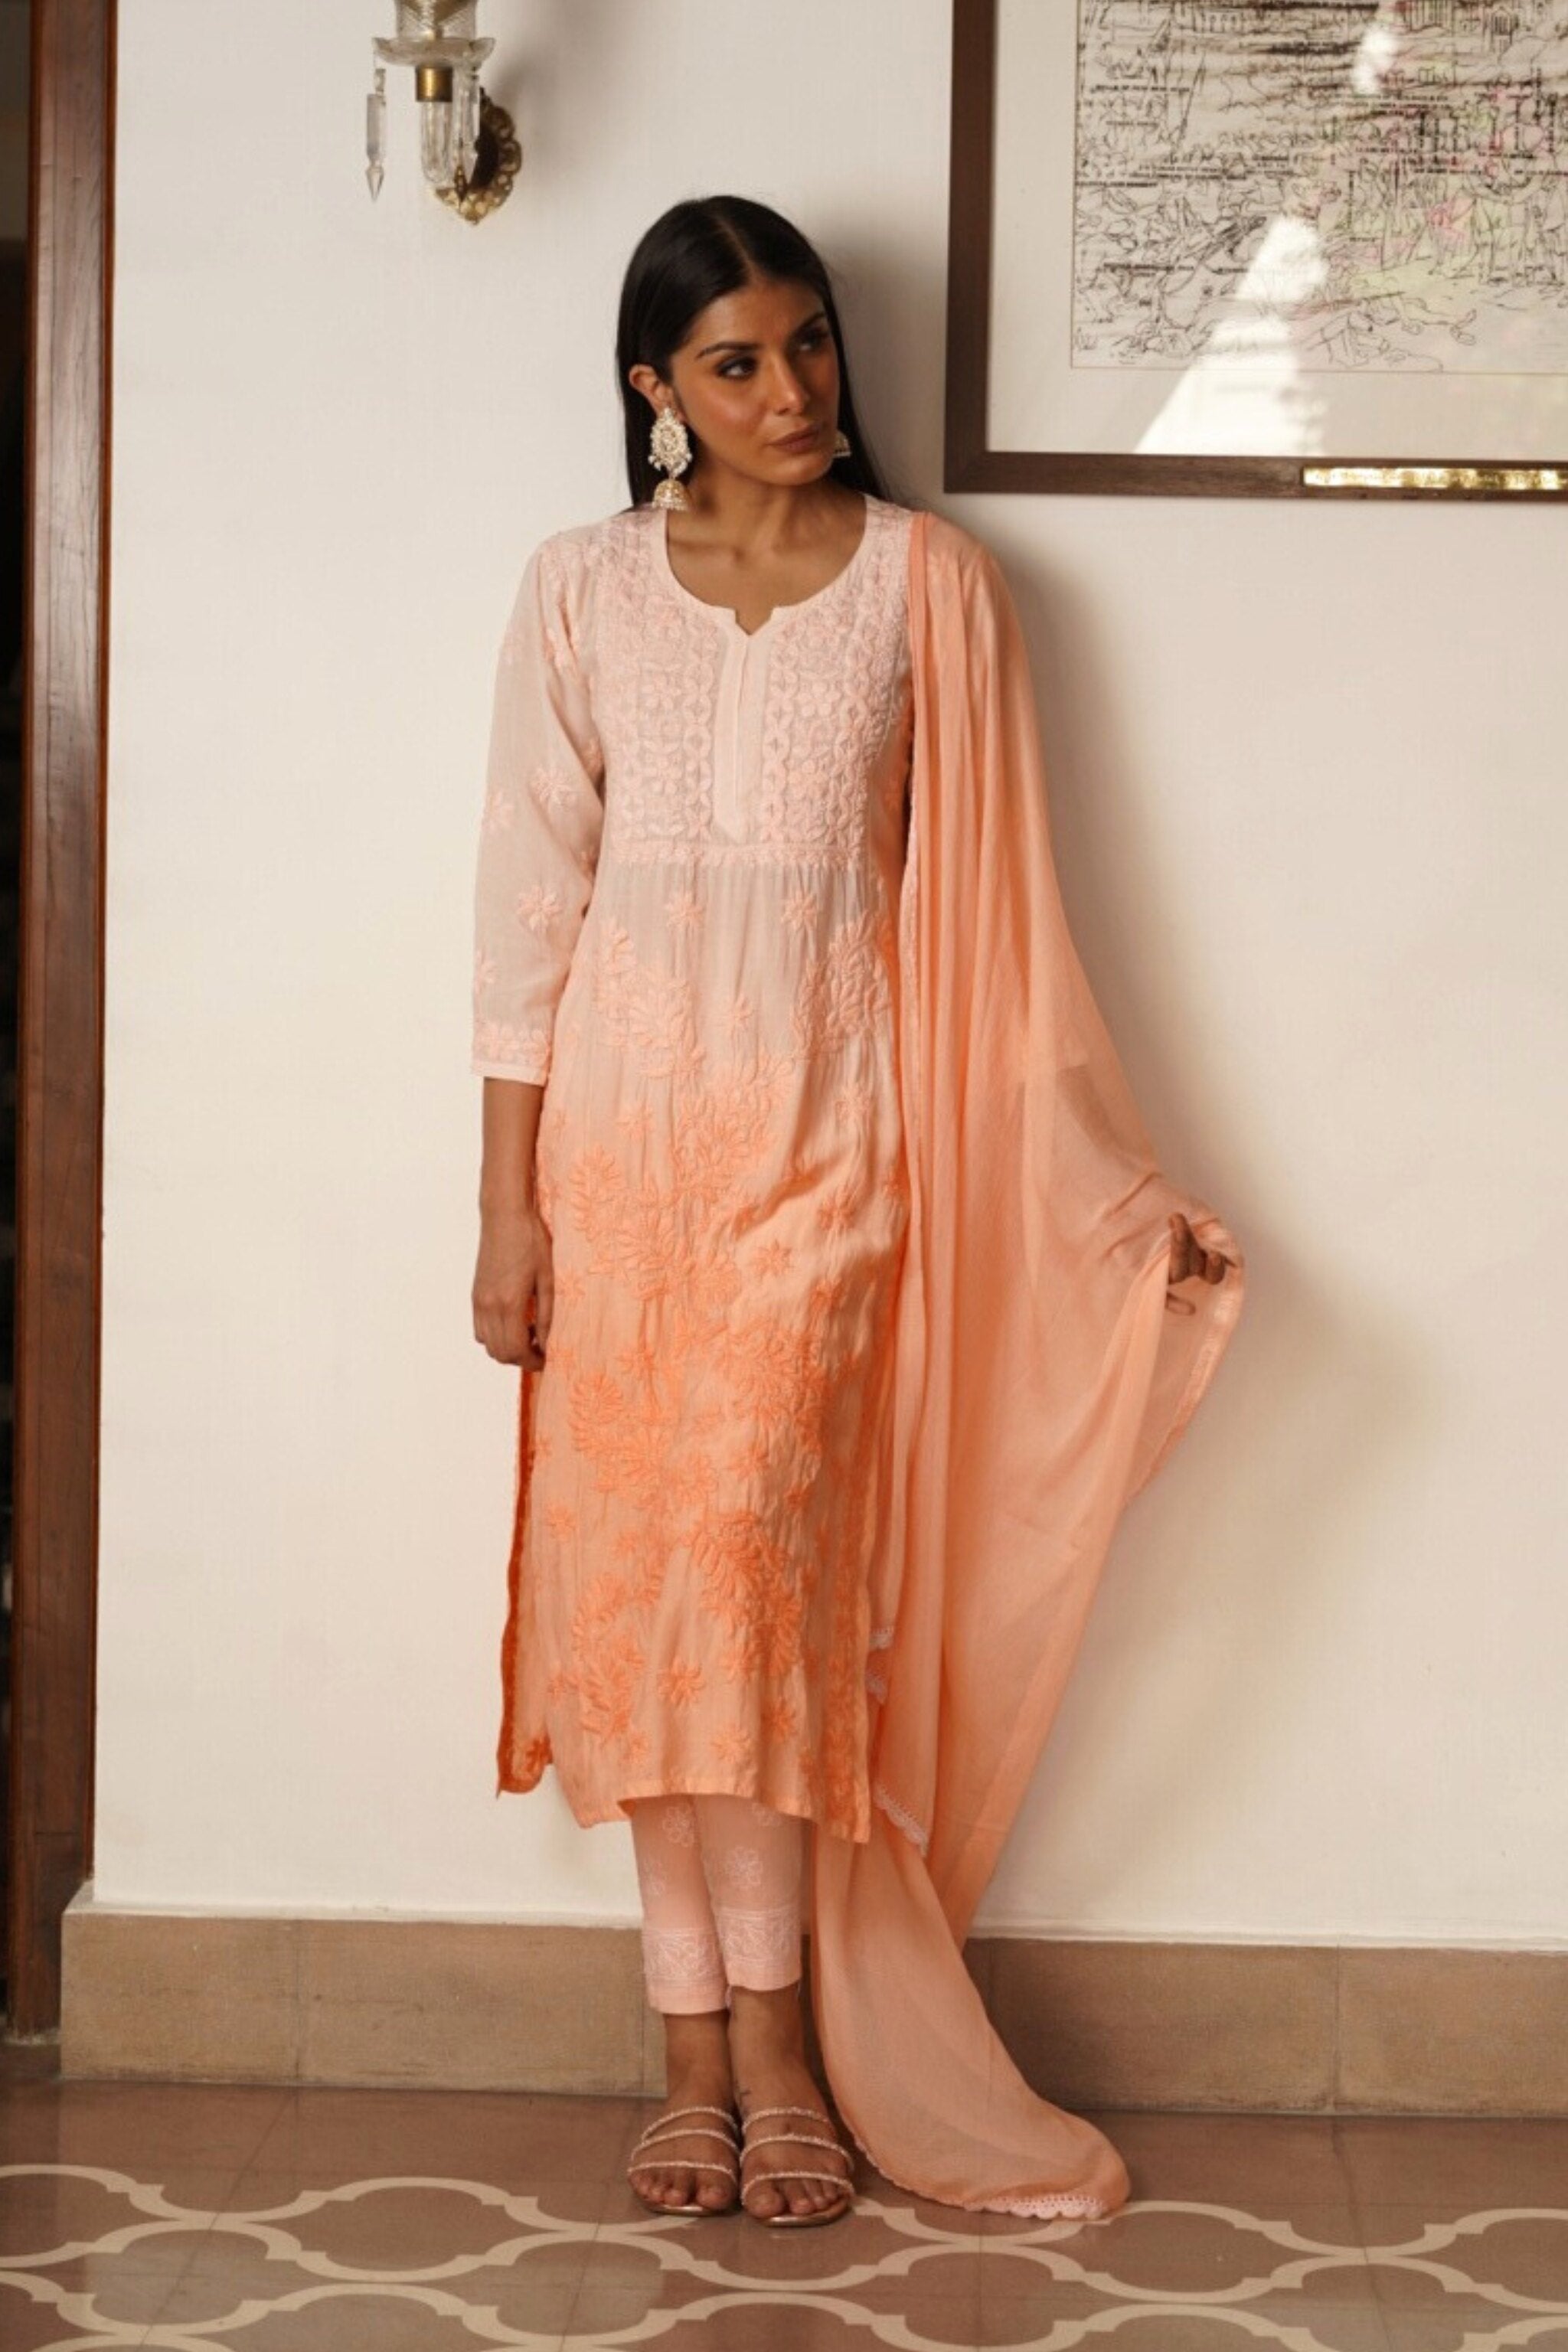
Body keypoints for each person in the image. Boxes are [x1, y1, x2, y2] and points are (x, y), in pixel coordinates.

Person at [471, 194, 1243, 2229]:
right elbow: (524, 919)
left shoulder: (930, 585)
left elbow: (1001, 927)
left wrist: (1111, 1200)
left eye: (809, 345)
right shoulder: (578, 592)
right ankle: (690, 2062)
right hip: (621, 1169)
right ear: (657, 393)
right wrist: (506, 1213)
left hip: (834, 1160)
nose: (795, 391)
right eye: (737, 362)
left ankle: (794, 2055)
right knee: (647, 1605)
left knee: (767, 1592)